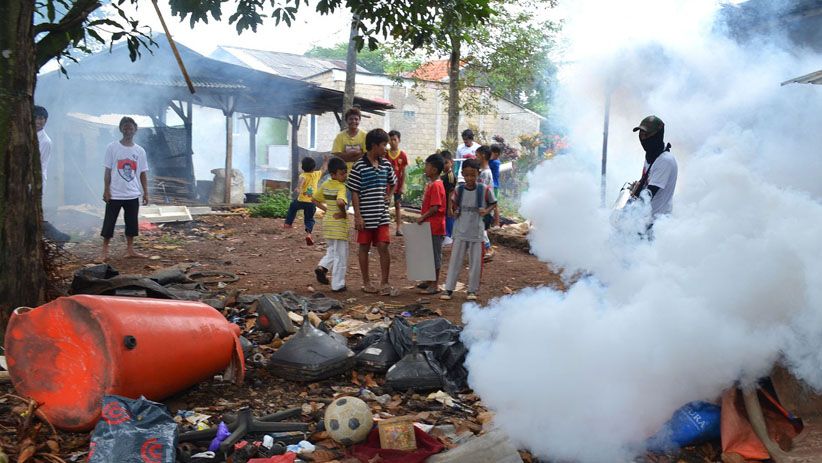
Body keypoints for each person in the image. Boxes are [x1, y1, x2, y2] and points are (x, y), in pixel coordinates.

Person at [347, 128, 397, 296]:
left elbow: (394, 182)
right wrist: (358, 216)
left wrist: (388, 195)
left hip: (382, 214)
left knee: (384, 246)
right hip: (366, 216)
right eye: (384, 145)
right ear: (374, 146)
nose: (386, 149)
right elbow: (354, 191)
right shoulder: (359, 165)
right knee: (364, 247)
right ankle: (366, 282)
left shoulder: (386, 164)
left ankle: (385, 282)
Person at [440, 158, 497, 301]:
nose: (470, 178)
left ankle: (472, 290)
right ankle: (448, 288)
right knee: (455, 260)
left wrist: (486, 211)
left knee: (476, 262)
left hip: (476, 231)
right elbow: (452, 206)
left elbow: (493, 203)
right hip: (460, 230)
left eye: (473, 175)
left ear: (478, 174)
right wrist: (454, 211)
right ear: (463, 174)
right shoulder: (459, 190)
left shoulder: (483, 190)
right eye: (467, 175)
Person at [100, 116, 149, 261]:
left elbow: (142, 173)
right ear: (121, 129)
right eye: (125, 127)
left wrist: (145, 192)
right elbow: (108, 171)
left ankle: (130, 249)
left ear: (135, 130)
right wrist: (106, 189)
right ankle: (104, 252)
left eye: (131, 127)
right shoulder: (112, 147)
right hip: (115, 193)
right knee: (109, 223)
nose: (128, 130)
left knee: (132, 223)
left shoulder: (140, 151)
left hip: (132, 193)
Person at [632, 115, 678, 225]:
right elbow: (646, 180)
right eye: (641, 135)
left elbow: (648, 194)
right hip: (646, 220)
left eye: (646, 135)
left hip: (656, 225)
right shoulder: (651, 156)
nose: (643, 139)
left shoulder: (665, 161)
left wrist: (630, 213)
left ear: (657, 136)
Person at [313, 157, 350, 292]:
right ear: (333, 174)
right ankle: (338, 285)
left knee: (332, 251)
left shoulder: (325, 185)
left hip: (328, 223)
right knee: (341, 255)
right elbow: (341, 202)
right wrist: (343, 213)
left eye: (345, 172)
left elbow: (315, 199)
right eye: (341, 173)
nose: (345, 175)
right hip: (338, 225)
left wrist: (327, 210)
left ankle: (322, 267)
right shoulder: (341, 186)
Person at [415, 154, 446, 294]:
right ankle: (429, 280)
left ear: (434, 169)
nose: (425, 168)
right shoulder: (433, 184)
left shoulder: (436, 185)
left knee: (434, 255)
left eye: (427, 166)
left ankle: (434, 284)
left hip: (435, 225)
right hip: (431, 224)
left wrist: (422, 217)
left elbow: (435, 207)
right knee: (429, 253)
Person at [284, 156, 324, 245]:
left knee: (292, 207)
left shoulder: (303, 175)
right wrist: (326, 161)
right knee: (309, 219)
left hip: (301, 201)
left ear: (302, 167)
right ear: (314, 167)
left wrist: (298, 187)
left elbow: (301, 180)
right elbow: (324, 169)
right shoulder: (316, 174)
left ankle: (288, 223)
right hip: (311, 202)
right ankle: (309, 234)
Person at [476, 145, 498, 260]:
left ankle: (489, 249)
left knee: (481, 229)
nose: (476, 158)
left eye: (477, 155)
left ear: (483, 155)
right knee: (480, 229)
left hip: (484, 208)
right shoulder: (483, 172)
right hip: (483, 207)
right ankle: (484, 250)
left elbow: (482, 190)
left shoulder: (485, 173)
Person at [387, 130, 409, 236]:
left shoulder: (402, 155)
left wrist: (402, 186)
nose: (392, 142)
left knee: (397, 205)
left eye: (394, 139)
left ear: (399, 140)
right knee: (385, 204)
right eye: (390, 140)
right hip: (387, 184)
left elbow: (404, 172)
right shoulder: (385, 154)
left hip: (398, 184)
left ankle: (398, 228)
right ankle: (384, 226)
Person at [440, 151, 457, 247]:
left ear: (451, 162)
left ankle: (449, 236)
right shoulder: (444, 176)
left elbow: (451, 192)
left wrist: (450, 207)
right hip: (444, 202)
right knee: (445, 219)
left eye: (446, 163)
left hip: (448, 203)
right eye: (443, 163)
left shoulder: (450, 176)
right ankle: (447, 236)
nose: (444, 165)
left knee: (449, 219)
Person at [34, 106, 52, 193]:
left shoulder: (45, 141)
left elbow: (40, 164)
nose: (37, 121)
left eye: (40, 119)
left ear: (45, 120)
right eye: (35, 118)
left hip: (36, 180)